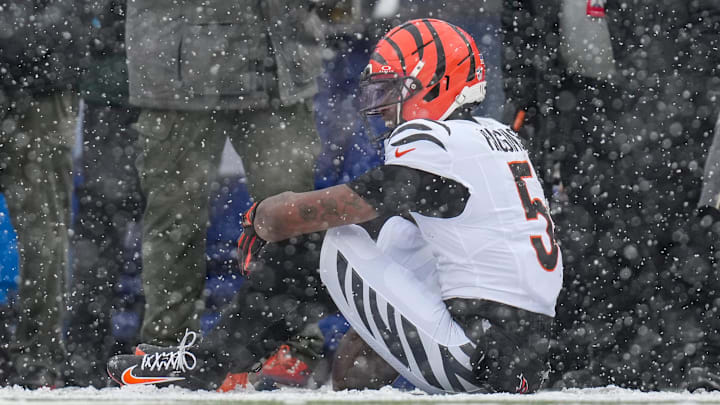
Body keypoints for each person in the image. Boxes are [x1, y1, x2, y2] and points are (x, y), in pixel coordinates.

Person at [106, 18, 563, 394]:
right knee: (394, 238)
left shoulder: (435, 139)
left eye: (393, 92)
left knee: (331, 240)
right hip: (515, 354)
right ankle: (286, 372)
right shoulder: (494, 139)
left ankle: (204, 365)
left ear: (438, 83)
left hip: (480, 351)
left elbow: (335, 208)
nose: (384, 109)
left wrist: (263, 215)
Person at [125, 0, 335, 382]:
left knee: (290, 218)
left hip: (267, 59)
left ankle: (290, 343)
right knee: (176, 217)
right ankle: (168, 347)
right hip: (192, 65)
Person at [0, 0, 84, 388]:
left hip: (43, 70)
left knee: (44, 233)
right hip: (45, 63)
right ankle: (39, 359)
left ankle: (40, 358)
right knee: (44, 231)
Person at [63, 0, 145, 388]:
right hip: (131, 85)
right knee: (165, 228)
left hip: (139, 84)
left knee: (106, 232)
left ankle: (89, 353)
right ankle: (156, 349)